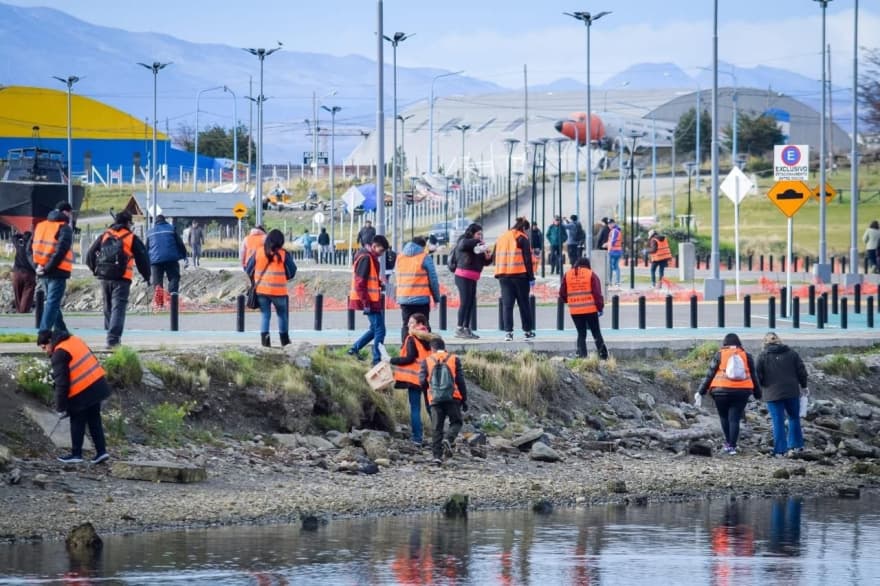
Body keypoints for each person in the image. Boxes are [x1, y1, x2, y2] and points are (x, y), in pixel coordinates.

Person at [38, 329, 111, 465]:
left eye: (44, 347)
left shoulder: (59, 353)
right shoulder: (75, 340)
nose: (45, 351)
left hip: (81, 391)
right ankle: (101, 452)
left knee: (77, 420)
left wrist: (61, 408)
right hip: (97, 384)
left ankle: (76, 454)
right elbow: (92, 358)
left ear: (49, 341)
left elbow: (61, 383)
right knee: (94, 419)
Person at [85, 211, 151, 348]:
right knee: (118, 309)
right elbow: (142, 259)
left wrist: (95, 270)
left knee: (108, 308)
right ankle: (113, 340)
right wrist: (147, 277)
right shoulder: (131, 238)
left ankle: (110, 334)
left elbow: (90, 254)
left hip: (104, 277)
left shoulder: (105, 235)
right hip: (122, 278)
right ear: (128, 223)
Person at [696, 332, 762, 455]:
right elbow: (754, 375)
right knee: (734, 419)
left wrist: (701, 391)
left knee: (724, 417)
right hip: (742, 391)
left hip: (720, 391)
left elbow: (710, 374)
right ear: (739, 343)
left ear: (725, 343)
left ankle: (727, 443)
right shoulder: (746, 355)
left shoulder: (720, 355)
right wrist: (758, 394)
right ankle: (732, 446)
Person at [756, 332, 808, 456]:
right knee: (794, 417)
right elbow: (802, 371)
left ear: (764, 343)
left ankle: (780, 450)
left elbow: (758, 376)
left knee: (777, 421)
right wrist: (804, 386)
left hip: (772, 393)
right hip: (791, 391)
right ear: (780, 341)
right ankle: (796, 445)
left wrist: (761, 388)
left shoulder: (762, 356)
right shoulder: (792, 353)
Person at [419, 337, 468, 465]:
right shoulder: (454, 359)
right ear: (444, 347)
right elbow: (461, 381)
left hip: (435, 398)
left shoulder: (427, 361)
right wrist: (464, 399)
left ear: (432, 348)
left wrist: (427, 396)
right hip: (453, 397)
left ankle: (437, 457)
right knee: (456, 422)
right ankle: (449, 438)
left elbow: (422, 382)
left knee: (436, 427)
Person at [246, 229, 297, 347]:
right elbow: (292, 271)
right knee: (282, 315)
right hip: (279, 291)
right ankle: (285, 341)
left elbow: (249, 269)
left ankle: (265, 342)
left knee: (265, 315)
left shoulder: (259, 252)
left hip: (262, 290)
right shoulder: (284, 254)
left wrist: (255, 279)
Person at [389, 313, 434, 446]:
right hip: (429, 378)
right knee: (431, 408)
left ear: (420, 324)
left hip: (415, 379)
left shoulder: (411, 339)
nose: (408, 325)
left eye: (411, 322)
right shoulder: (431, 338)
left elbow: (409, 358)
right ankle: (440, 435)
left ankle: (417, 438)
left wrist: (390, 360)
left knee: (415, 408)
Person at [29, 200, 74, 332]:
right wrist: (48, 267)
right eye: (70, 214)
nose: (71, 217)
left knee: (51, 303)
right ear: (66, 212)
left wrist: (37, 266)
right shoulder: (64, 228)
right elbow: (61, 251)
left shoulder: (40, 226)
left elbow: (29, 248)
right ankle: (44, 332)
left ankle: (62, 331)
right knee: (53, 303)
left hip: (42, 269)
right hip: (57, 270)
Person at [346, 234, 390, 365]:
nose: (381, 254)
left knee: (374, 329)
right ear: (374, 246)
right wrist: (366, 303)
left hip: (370, 300)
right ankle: (376, 360)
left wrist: (378, 285)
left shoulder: (368, 257)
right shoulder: (366, 258)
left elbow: (367, 281)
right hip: (369, 301)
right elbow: (360, 283)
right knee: (380, 330)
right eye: (381, 250)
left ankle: (353, 350)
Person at [494, 217, 535, 342]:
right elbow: (527, 259)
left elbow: (494, 256)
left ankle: (508, 333)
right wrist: (531, 277)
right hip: (520, 275)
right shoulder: (522, 238)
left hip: (503, 276)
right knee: (524, 304)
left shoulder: (502, 237)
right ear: (523, 228)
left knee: (507, 305)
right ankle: (527, 331)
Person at [559, 257, 608, 359]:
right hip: (590, 309)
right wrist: (600, 307)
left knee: (581, 333)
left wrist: (570, 301)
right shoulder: (591, 274)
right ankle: (603, 356)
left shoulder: (567, 275)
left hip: (575, 310)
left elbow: (562, 293)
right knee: (596, 332)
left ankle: (582, 357)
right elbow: (597, 294)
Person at [395, 236, 441, 343]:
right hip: (421, 299)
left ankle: (406, 351)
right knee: (423, 325)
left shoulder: (400, 257)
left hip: (404, 298)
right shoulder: (424, 257)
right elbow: (433, 280)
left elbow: (398, 277)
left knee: (407, 325)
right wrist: (436, 298)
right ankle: (424, 351)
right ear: (423, 246)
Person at [452, 223, 493, 339]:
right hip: (462, 276)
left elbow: (484, 262)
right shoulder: (463, 241)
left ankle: (466, 328)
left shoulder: (479, 245)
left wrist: (488, 257)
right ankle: (459, 328)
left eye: (481, 234)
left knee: (470, 303)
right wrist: (479, 242)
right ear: (472, 233)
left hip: (473, 277)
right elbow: (464, 245)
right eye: (478, 234)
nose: (480, 236)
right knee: (465, 302)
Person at [146, 214, 187, 308]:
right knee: (174, 277)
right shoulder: (171, 229)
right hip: (171, 259)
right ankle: (172, 299)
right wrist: (184, 255)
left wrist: (147, 262)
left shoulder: (150, 232)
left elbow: (146, 248)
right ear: (165, 221)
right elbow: (179, 243)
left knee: (157, 283)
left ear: (155, 222)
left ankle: (159, 304)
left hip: (155, 261)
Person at [11, 230, 36, 313]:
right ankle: (23, 311)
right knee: (27, 293)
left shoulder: (19, 245)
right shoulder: (33, 247)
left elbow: (14, 237)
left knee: (18, 294)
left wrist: (21, 235)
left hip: (17, 272)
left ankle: (19, 311)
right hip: (29, 273)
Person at [603, 219, 623, 288]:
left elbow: (613, 241)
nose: (609, 225)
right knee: (615, 266)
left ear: (614, 223)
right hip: (617, 250)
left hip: (613, 251)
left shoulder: (614, 231)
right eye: (608, 224)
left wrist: (607, 244)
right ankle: (616, 282)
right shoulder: (617, 230)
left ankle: (612, 281)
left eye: (610, 223)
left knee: (612, 267)